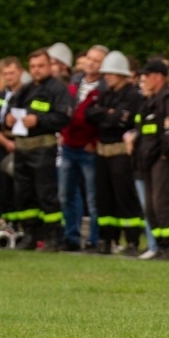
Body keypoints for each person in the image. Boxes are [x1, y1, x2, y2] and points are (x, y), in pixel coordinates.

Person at [5, 48, 72, 251]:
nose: (36, 70)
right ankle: (30, 235)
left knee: (46, 194)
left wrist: (39, 120)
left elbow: (64, 117)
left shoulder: (57, 89)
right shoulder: (24, 90)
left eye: (41, 65)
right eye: (33, 66)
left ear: (50, 66)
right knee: (24, 194)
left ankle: (53, 237)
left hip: (43, 148)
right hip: (22, 149)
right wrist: (7, 119)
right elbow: (11, 110)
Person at [131, 58, 169, 260]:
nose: (143, 80)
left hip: (163, 160)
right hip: (148, 161)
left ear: (158, 77)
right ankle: (160, 245)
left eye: (146, 76)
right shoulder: (149, 102)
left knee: (163, 203)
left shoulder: (168, 100)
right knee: (151, 206)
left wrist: (165, 154)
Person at [85, 51, 144, 255]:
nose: (107, 76)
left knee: (125, 198)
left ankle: (132, 241)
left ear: (121, 74)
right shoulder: (106, 95)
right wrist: (107, 114)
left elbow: (120, 119)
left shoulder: (133, 96)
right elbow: (89, 113)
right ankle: (106, 240)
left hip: (121, 153)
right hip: (103, 153)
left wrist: (106, 115)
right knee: (104, 198)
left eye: (111, 73)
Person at [59, 44, 107, 252]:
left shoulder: (105, 88)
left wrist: (94, 143)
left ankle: (94, 240)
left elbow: (104, 120)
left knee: (92, 197)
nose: (91, 63)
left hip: (88, 149)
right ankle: (71, 237)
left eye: (97, 60)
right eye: (89, 58)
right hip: (69, 146)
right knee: (65, 195)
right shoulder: (75, 81)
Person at [0, 57, 25, 230]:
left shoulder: (27, 93)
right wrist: (4, 142)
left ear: (21, 72)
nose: (9, 77)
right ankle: (9, 225)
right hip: (3, 144)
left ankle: (24, 227)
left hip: (22, 145)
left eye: (12, 72)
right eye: (5, 74)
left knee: (20, 188)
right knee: (3, 188)